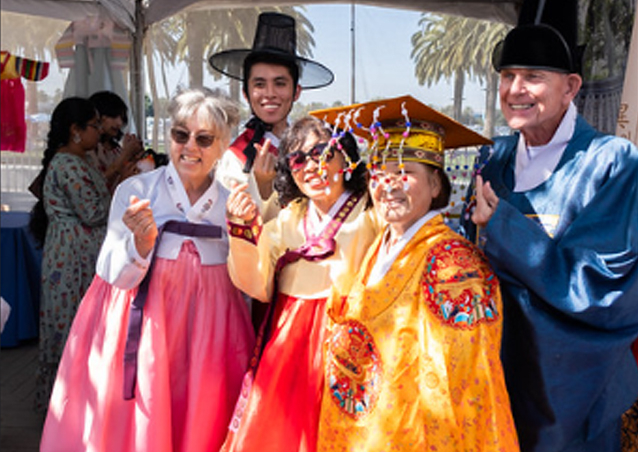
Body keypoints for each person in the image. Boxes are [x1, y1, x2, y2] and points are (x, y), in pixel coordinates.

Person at [40, 87, 255, 452]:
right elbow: (110, 273)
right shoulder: (136, 190)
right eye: (180, 134)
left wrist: (245, 233)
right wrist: (140, 246)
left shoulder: (230, 203)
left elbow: (247, 281)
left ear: (222, 145)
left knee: (201, 417)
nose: (190, 147)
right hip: (145, 327)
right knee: (145, 414)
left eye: (204, 138)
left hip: (211, 334)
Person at [461, 21, 638, 452]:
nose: (515, 89)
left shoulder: (611, 163)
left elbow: (601, 286)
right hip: (494, 378)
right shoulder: (494, 157)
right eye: (507, 76)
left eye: (533, 77)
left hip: (573, 391)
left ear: (571, 86)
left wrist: (503, 227)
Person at [311, 95, 519, 451]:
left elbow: (460, 385)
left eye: (404, 174)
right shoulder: (380, 245)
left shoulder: (453, 264)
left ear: (436, 185)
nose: (388, 185)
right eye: (379, 173)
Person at [223, 115, 380, 452]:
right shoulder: (288, 218)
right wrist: (243, 230)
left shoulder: (371, 211)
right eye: (297, 158)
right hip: (292, 340)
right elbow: (258, 283)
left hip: (353, 337)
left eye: (322, 152)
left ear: (346, 156)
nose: (310, 166)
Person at [28, 97, 111, 412]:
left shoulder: (79, 160)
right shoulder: (68, 164)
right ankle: (66, 406)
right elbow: (91, 212)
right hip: (72, 255)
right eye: (94, 126)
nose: (99, 133)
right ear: (76, 130)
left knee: (77, 321)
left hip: (76, 251)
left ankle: (76, 401)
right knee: (70, 322)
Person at [210, 11, 334, 222]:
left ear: (296, 92)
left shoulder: (315, 148)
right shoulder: (235, 158)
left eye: (280, 83)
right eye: (259, 84)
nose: (269, 93)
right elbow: (230, 229)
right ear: (246, 93)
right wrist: (263, 188)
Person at [88, 90, 144, 191]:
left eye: (122, 118)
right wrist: (126, 154)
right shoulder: (90, 150)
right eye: (113, 116)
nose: (119, 123)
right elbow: (97, 185)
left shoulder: (117, 150)